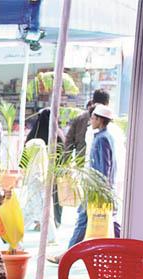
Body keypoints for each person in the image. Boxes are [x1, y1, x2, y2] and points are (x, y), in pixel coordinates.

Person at [50, 104, 120, 264]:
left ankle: (67, 256)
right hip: (98, 188)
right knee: (108, 219)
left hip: (96, 188)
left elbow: (104, 167)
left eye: (93, 118)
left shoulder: (102, 138)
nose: (91, 121)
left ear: (100, 120)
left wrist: (100, 189)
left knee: (84, 219)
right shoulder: (104, 136)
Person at [25, 107, 65, 228]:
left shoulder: (34, 134)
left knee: (38, 199)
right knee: (54, 198)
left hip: (37, 172)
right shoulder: (58, 134)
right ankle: (55, 222)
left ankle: (39, 223)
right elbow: (62, 152)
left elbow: (26, 154)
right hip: (54, 171)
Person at [65, 89, 110, 156]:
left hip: (80, 161)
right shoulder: (108, 120)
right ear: (107, 103)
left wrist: (67, 162)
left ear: (93, 100)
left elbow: (68, 142)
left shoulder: (80, 118)